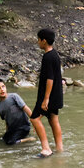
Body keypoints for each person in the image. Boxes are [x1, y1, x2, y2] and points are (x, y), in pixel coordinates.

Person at [31, 28, 64, 157]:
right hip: (56, 95)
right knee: (53, 120)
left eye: (38, 40)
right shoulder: (55, 54)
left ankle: (46, 148)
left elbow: (50, 79)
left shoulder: (48, 57)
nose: (38, 42)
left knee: (34, 119)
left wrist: (46, 99)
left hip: (48, 96)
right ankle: (59, 149)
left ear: (44, 41)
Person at [0, 78, 36, 145]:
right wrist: (7, 132)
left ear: (5, 87)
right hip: (13, 129)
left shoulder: (14, 97)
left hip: (23, 127)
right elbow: (6, 121)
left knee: (10, 143)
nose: (2, 89)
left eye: (3, 86)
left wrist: (35, 124)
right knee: (3, 140)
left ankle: (28, 139)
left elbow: (26, 109)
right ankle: (16, 138)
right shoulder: (0, 106)